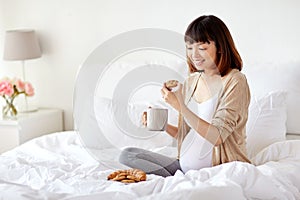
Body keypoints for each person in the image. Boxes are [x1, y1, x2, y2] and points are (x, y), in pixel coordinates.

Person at [119, 15, 251, 177]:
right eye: (189, 48)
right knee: (127, 154)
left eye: (202, 47)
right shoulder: (192, 81)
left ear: (220, 47)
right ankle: (179, 178)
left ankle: (180, 179)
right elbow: (187, 135)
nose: (194, 54)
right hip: (183, 165)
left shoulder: (235, 80)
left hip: (216, 169)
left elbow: (216, 136)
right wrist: (164, 125)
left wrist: (179, 105)